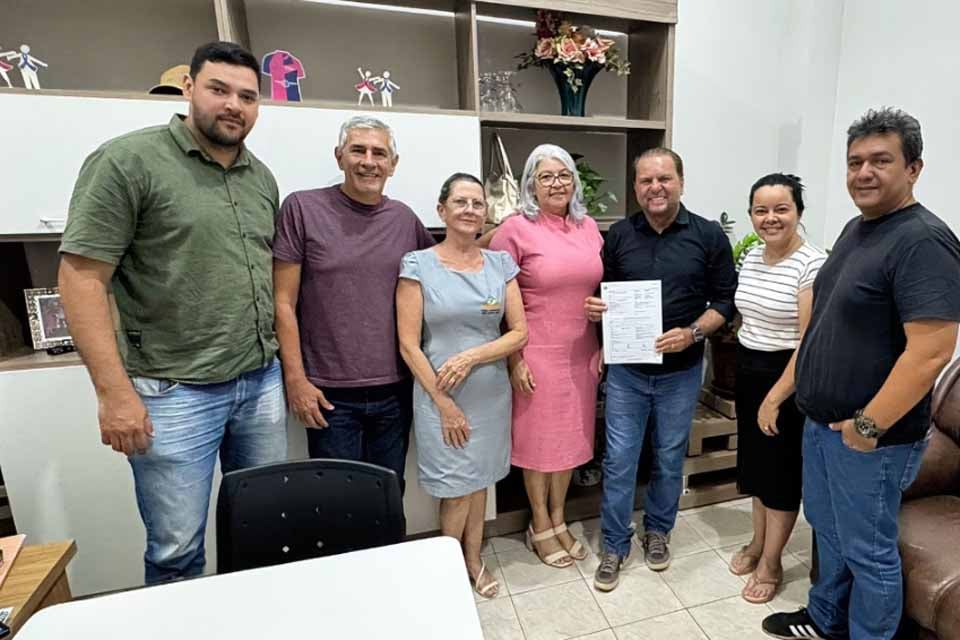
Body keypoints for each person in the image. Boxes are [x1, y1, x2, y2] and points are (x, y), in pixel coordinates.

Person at [58, 41, 286, 583]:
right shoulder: (127, 161)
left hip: (259, 382)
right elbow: (82, 279)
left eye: (247, 96)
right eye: (218, 89)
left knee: (265, 527)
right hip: (174, 392)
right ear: (188, 88)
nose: (233, 105)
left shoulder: (261, 178)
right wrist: (114, 394)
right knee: (176, 547)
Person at [762, 108, 960, 639]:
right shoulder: (859, 228)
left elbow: (932, 351)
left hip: (872, 439)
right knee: (828, 531)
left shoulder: (924, 241)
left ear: (913, 168)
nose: (864, 173)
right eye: (855, 162)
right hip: (822, 426)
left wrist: (868, 426)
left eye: (880, 160)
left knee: (868, 551)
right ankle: (826, 619)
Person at [585, 147, 737, 591]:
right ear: (635, 187)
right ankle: (615, 544)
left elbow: (725, 301)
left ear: (681, 182)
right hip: (628, 372)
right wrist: (597, 310)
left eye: (664, 179)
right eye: (646, 180)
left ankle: (658, 531)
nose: (655, 187)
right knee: (619, 460)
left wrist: (693, 332)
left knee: (669, 457)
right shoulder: (618, 235)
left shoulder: (708, 235)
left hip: (681, 371)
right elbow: (604, 293)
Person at [273, 115, 434, 498]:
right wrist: (295, 380)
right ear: (339, 156)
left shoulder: (403, 218)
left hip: (395, 390)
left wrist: (505, 236)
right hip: (329, 394)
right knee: (336, 502)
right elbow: (282, 301)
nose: (369, 161)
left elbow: (449, 264)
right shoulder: (302, 208)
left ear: (393, 164)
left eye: (380, 153)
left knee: (387, 495)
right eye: (358, 150)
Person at [397, 173, 527, 598]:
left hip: (490, 395)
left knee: (480, 481)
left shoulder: (500, 265)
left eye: (477, 203)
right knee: (455, 491)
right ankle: (448, 572)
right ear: (442, 210)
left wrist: (472, 356)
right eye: (461, 202)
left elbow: (518, 333)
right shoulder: (418, 265)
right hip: (441, 396)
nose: (470, 210)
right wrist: (444, 403)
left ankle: (473, 559)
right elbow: (408, 344)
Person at [488, 144, 603, 568]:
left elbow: (599, 287)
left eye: (564, 175)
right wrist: (513, 359)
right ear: (530, 185)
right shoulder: (514, 229)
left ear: (574, 181)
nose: (557, 183)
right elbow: (495, 302)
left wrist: (603, 332)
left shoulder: (588, 226)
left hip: (581, 352)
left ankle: (558, 517)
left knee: (569, 439)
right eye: (546, 176)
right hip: (534, 351)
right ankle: (539, 523)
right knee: (539, 444)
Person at [730, 173, 826, 604]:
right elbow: (746, 316)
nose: (770, 218)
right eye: (761, 210)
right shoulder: (752, 256)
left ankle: (772, 561)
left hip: (786, 378)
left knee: (781, 474)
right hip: (749, 371)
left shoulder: (811, 264)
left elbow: (808, 342)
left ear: (798, 213)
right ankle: (757, 543)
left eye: (781, 209)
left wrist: (774, 398)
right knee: (756, 468)